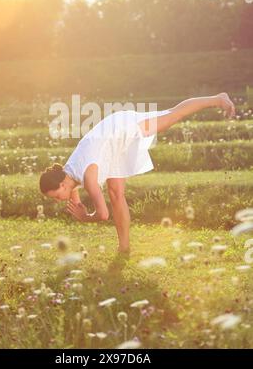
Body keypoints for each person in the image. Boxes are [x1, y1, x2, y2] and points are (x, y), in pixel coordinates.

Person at [39, 92, 235, 253]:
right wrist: (77, 203)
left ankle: (217, 99)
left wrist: (85, 217)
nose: (58, 200)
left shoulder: (88, 177)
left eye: (56, 196)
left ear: (62, 185)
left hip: (123, 128)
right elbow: (73, 191)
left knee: (173, 115)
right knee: (116, 193)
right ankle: (124, 248)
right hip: (111, 144)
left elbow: (103, 214)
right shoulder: (67, 172)